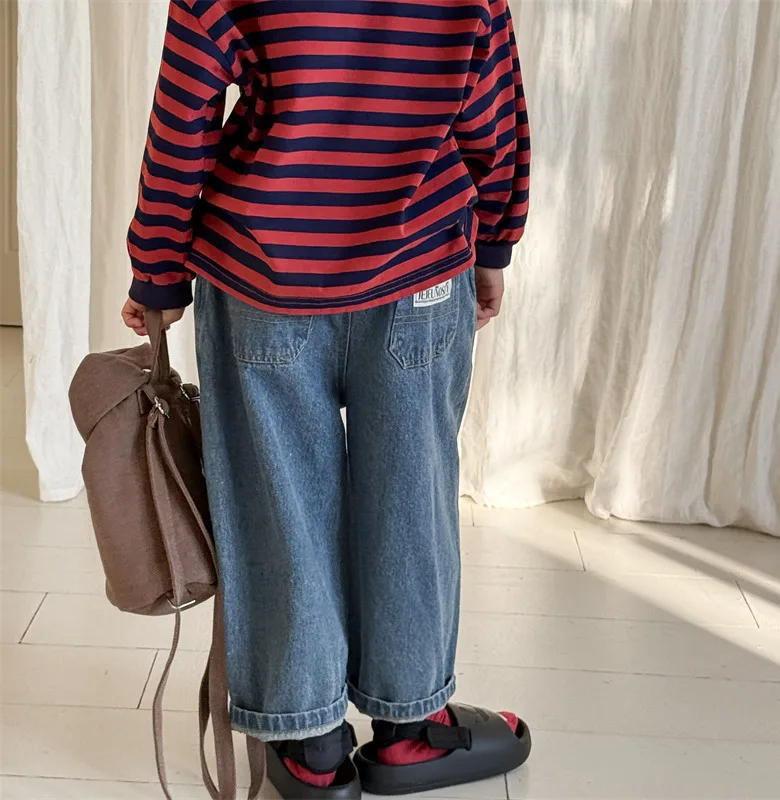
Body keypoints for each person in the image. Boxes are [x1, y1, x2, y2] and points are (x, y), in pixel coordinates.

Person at [122, 1, 531, 797]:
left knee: (278, 503)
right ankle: (413, 730)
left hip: (262, 276)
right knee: (412, 496)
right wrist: (493, 247)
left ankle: (310, 747)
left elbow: (183, 118)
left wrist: (158, 270)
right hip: (419, 266)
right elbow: (493, 116)